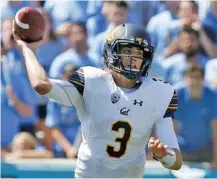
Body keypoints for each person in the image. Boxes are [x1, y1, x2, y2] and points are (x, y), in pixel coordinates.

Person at [13, 23, 182, 178]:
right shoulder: (92, 81)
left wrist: (162, 155)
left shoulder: (159, 93)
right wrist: (27, 48)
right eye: (128, 51)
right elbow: (41, 85)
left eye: (139, 53)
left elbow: (176, 161)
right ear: (112, 52)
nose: (134, 58)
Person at [173, 65, 217, 169]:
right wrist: (174, 158)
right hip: (183, 150)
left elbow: (216, 130)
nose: (194, 81)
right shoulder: (177, 94)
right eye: (191, 77)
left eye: (197, 77)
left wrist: (216, 161)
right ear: (185, 79)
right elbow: (173, 130)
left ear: (203, 79)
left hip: (207, 150)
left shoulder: (213, 96)